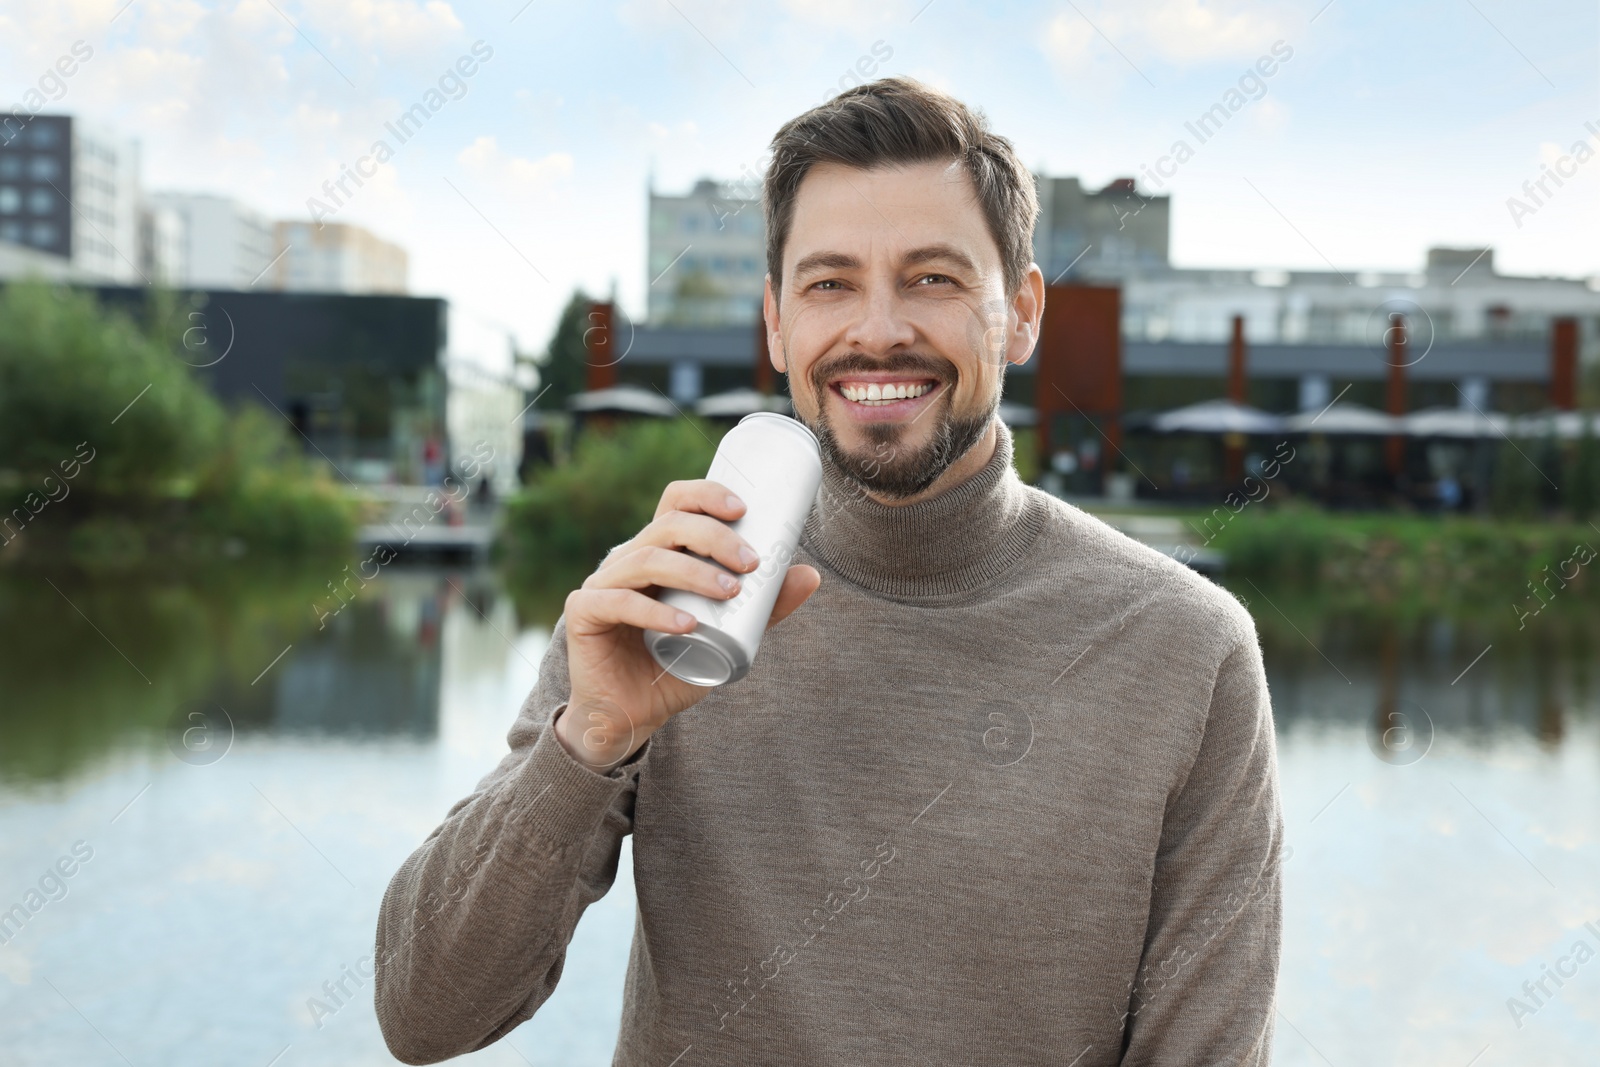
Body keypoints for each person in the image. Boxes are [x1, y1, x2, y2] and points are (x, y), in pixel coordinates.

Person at [375, 77, 1283, 1065]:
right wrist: (585, 741)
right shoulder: (666, 598)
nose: (878, 328)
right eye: (829, 282)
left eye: (932, 277)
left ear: (1019, 312)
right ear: (776, 323)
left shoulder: (1188, 652)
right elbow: (423, 1012)